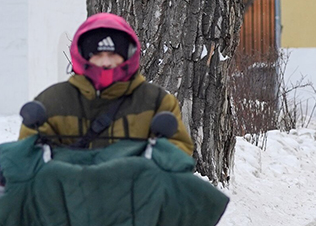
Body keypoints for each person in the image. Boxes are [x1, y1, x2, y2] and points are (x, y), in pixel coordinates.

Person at [16, 12, 193, 155]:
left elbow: (179, 153)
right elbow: (26, 157)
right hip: (68, 197)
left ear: (128, 54)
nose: (106, 62)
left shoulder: (157, 102)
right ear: (83, 56)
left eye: (113, 55)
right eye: (98, 55)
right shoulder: (50, 102)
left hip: (137, 197)